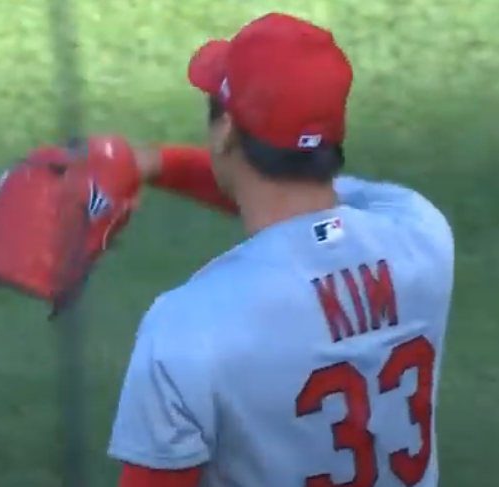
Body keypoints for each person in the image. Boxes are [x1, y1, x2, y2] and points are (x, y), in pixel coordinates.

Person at [106, 12, 454, 487]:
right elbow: (307, 202)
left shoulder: (188, 328)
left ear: (226, 131)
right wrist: (154, 164)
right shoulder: (422, 234)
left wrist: (143, 165)